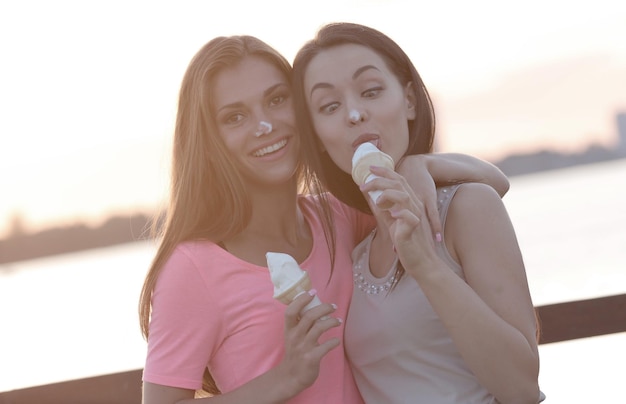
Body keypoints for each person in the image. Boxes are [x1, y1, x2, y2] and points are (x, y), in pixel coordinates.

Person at [138, 34, 511, 404]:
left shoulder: (342, 218)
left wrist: (420, 164)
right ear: (209, 140)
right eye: (235, 117)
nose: (264, 125)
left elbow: (496, 183)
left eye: (277, 100)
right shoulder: (193, 268)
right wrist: (285, 379)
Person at [291, 22, 542, 403]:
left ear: (409, 100)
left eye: (371, 91)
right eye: (330, 106)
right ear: (319, 139)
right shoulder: (354, 246)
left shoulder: (469, 208)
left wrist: (424, 263)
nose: (355, 114)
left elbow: (521, 388)